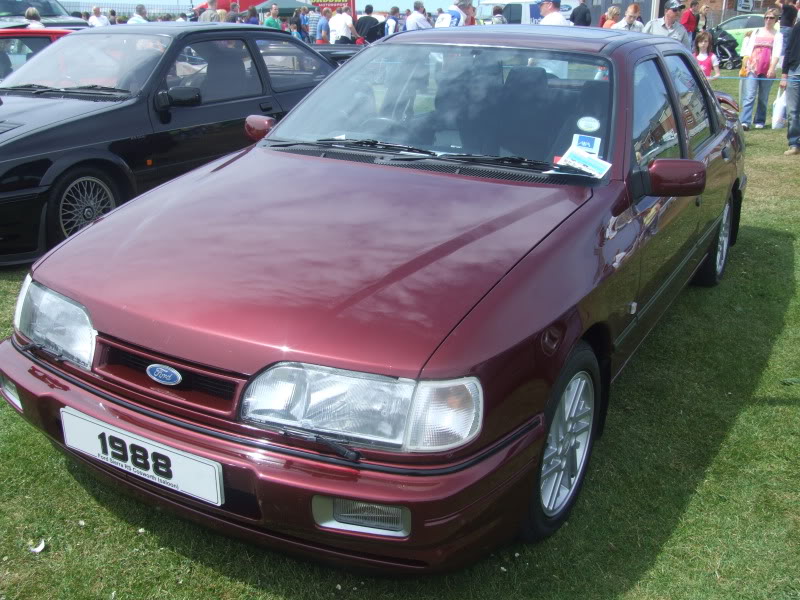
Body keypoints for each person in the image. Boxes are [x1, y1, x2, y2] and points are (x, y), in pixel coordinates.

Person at [740, 8, 783, 130]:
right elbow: (748, 50)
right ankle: (745, 121)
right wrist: (745, 64)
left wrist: (772, 68)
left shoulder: (778, 35)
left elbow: (776, 53)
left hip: (767, 67)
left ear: (776, 20)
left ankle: (760, 120)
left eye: (771, 18)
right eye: (766, 17)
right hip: (753, 67)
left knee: (763, 97)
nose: (768, 20)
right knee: (749, 95)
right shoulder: (756, 32)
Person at [781, 10, 800, 153]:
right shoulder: (797, 28)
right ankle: (794, 144)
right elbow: (788, 50)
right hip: (794, 72)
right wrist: (784, 74)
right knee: (792, 111)